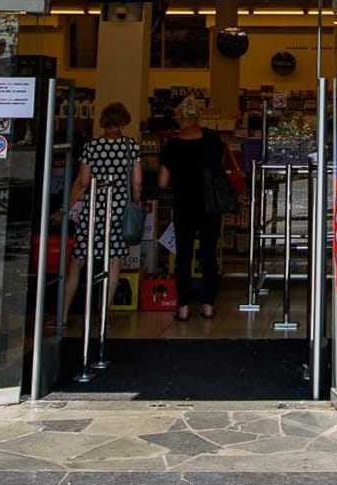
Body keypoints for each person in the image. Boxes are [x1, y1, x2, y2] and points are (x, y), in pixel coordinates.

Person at [63, 101, 143, 317]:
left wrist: (65, 208)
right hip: (118, 209)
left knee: (78, 260)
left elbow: (82, 182)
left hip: (92, 209)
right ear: (124, 122)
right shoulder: (131, 147)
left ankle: (64, 314)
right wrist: (135, 202)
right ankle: (103, 315)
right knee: (113, 260)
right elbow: (137, 183)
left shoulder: (91, 146)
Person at [158, 98, 229, 321]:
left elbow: (162, 182)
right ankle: (208, 306)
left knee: (184, 256)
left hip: (184, 205)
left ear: (179, 118)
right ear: (198, 117)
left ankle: (183, 308)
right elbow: (220, 167)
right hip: (210, 204)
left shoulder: (173, 145)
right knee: (208, 255)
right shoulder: (212, 138)